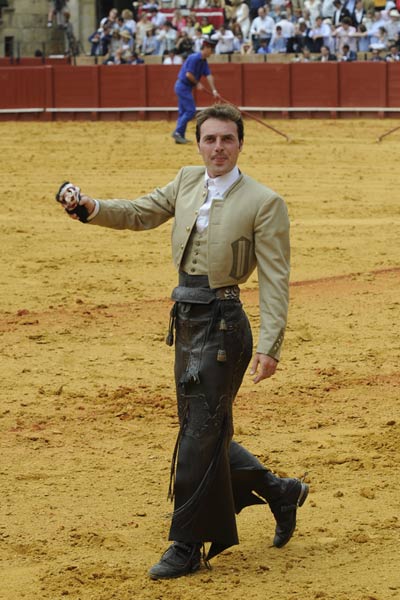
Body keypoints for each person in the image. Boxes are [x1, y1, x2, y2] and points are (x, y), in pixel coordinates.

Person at [56, 102, 309, 581]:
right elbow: (139, 212)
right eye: (209, 139)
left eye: (226, 139)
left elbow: (276, 277)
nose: (218, 148)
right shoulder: (187, 180)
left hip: (225, 326)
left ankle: (187, 543)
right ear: (198, 143)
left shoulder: (264, 201)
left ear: (240, 144)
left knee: (198, 435)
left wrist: (271, 343)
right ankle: (281, 491)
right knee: (204, 430)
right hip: (187, 321)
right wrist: (90, 208)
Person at [172, 39, 219, 145]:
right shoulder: (194, 58)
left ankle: (179, 136)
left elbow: (209, 75)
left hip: (184, 87)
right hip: (183, 86)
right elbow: (189, 74)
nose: (212, 52)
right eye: (211, 50)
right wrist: (197, 83)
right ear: (206, 48)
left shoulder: (203, 61)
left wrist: (214, 90)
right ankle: (177, 132)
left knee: (183, 112)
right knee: (190, 111)